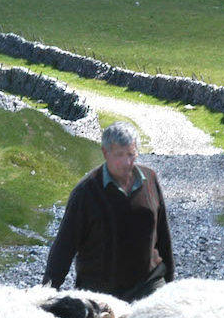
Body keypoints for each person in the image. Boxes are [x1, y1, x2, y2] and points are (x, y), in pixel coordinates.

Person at [41, 121, 174, 302]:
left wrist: (171, 284)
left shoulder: (150, 180)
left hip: (149, 285)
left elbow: (163, 235)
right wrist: (47, 293)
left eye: (131, 154)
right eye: (119, 155)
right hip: (100, 292)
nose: (127, 162)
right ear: (105, 153)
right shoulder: (85, 192)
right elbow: (65, 245)